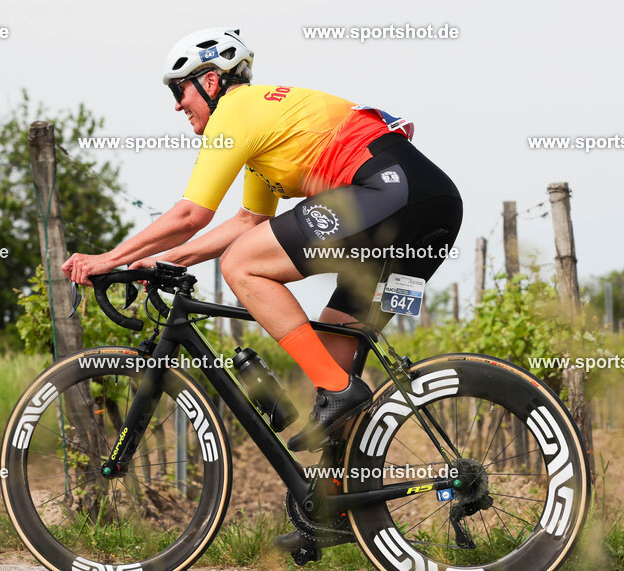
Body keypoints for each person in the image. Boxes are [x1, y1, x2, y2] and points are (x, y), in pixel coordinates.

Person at [61, 27, 463, 453]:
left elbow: (191, 214)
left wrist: (110, 258)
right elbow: (249, 221)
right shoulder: (269, 132)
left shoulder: (235, 113)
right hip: (431, 208)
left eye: (180, 90)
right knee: (330, 358)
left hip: (390, 194)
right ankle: (341, 512)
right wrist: (170, 260)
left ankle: (339, 392)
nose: (178, 104)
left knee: (240, 265)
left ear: (211, 81)